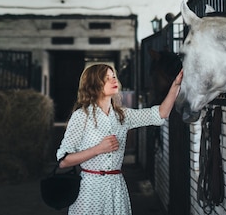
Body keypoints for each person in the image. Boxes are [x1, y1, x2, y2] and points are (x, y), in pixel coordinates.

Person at [56, 63, 183, 215]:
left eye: (114, 77)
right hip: (90, 189)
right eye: (106, 78)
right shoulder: (81, 116)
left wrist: (175, 85)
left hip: (116, 187)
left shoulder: (123, 115)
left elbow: (160, 114)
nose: (113, 80)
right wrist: (98, 149)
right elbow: (64, 160)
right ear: (93, 85)